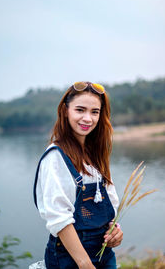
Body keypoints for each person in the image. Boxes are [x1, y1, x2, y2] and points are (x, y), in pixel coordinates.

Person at [33, 82, 123, 269]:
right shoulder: (56, 157)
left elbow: (108, 207)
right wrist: (85, 264)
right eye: (80, 110)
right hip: (71, 259)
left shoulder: (95, 155)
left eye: (95, 112)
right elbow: (59, 219)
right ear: (65, 111)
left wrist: (114, 231)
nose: (87, 118)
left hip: (104, 254)